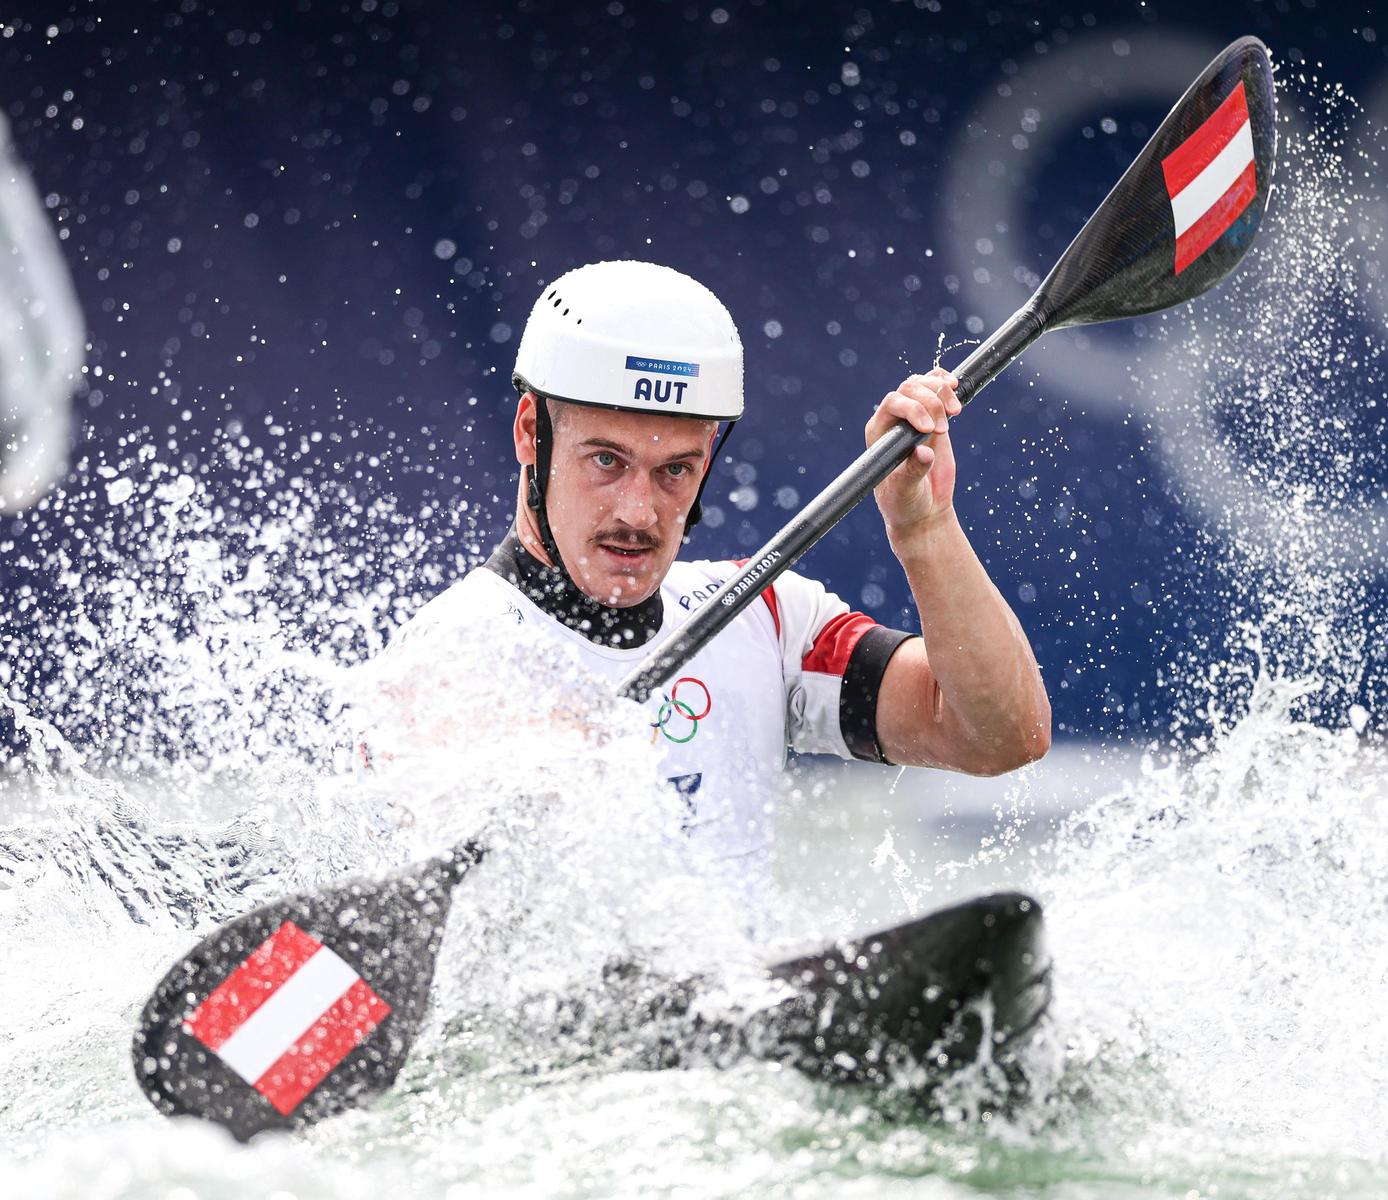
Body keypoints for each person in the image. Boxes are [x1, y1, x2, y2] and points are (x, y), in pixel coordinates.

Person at [360, 260, 1050, 901]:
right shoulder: (446, 653)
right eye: (606, 461)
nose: (638, 512)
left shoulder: (765, 612)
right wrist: (525, 766)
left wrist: (925, 532)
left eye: (675, 471)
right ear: (529, 434)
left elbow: (1000, 737)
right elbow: (430, 763)